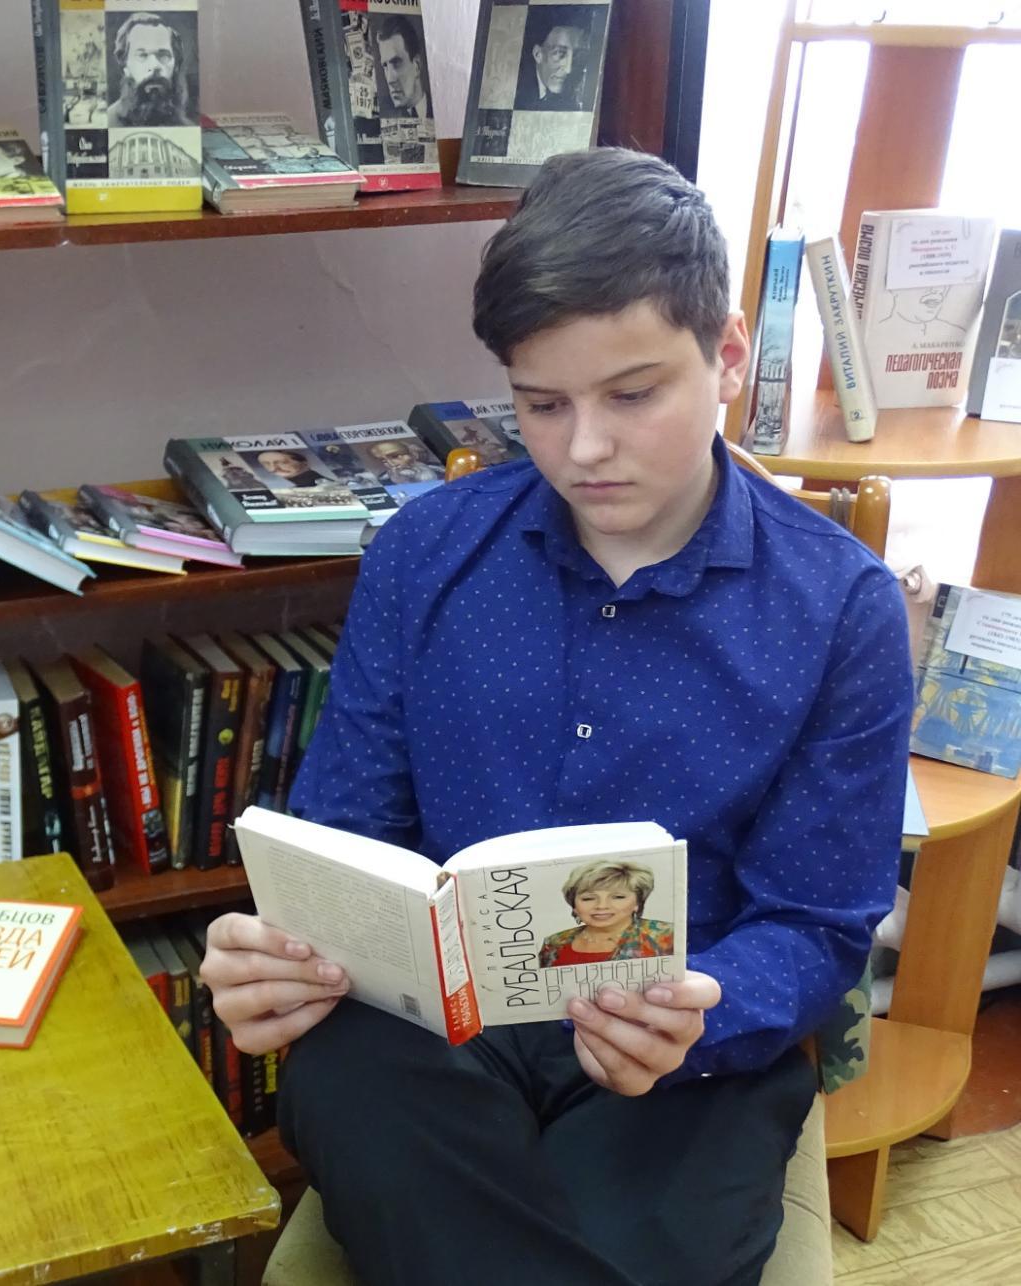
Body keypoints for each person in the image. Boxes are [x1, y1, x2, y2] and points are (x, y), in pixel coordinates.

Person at [199, 148, 911, 1285]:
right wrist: (281, 952)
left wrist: (706, 1013)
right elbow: (347, 836)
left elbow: (819, 921)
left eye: (632, 394)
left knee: (617, 1225)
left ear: (727, 356)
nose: (584, 447)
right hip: (430, 1041)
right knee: (346, 1082)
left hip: (682, 1053)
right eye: (541, 404)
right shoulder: (426, 553)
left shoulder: (840, 607)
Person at [539, 860, 676, 966]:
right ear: (574, 906)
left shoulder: (666, 935)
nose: (601, 906)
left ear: (637, 903)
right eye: (588, 898)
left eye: (618, 897)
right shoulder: (554, 942)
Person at [106, 12, 195, 128]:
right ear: (125, 66)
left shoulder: (188, 128)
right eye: (142, 55)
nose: (154, 66)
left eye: (163, 56)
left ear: (176, 65)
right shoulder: (108, 122)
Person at [516, 21, 587, 112]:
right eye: (560, 53)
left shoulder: (576, 95)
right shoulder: (517, 92)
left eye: (576, 55)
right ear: (538, 54)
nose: (568, 70)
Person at [376, 15, 430, 121]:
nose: (390, 79)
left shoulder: (441, 104)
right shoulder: (381, 117)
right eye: (385, 66)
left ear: (417, 65)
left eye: (396, 63)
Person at [366, 439, 444, 485]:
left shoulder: (440, 470)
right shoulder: (384, 480)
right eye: (384, 461)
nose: (391, 463)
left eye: (395, 456)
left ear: (413, 454)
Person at [255, 449, 327, 489]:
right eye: (266, 464)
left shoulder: (321, 484)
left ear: (304, 463)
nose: (273, 468)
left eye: (282, 462)